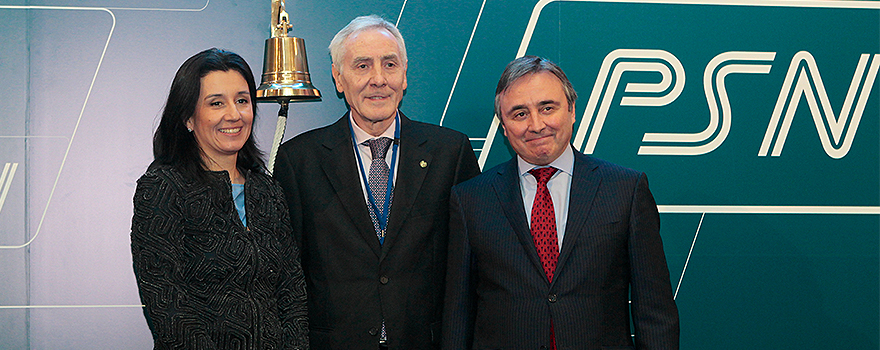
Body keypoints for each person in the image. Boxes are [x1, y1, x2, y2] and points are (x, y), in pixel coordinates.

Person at [442, 56, 679, 349]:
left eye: (547, 108)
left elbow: (655, 311)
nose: (536, 124)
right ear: (503, 126)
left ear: (571, 111)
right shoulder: (471, 200)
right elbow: (457, 316)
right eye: (519, 114)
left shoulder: (625, 190)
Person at [273, 15, 480, 350]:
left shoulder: (450, 153)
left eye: (389, 64)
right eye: (362, 66)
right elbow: (286, 276)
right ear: (338, 78)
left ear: (405, 75)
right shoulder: (299, 161)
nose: (378, 79)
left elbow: (471, 270)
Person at [130, 48, 308, 350]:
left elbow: (292, 293)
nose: (234, 114)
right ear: (188, 116)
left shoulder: (268, 191)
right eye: (216, 103)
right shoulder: (163, 189)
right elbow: (169, 305)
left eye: (242, 100)